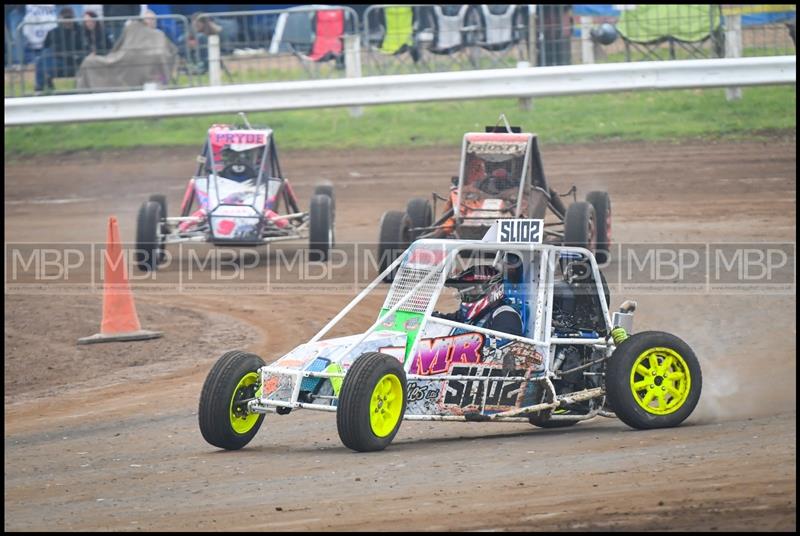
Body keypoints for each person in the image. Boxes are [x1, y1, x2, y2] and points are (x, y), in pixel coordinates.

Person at [435, 254, 524, 337]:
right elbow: (449, 320)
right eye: (463, 294)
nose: (465, 296)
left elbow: (506, 350)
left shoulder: (505, 316)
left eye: (471, 291)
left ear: (491, 290)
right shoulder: (469, 315)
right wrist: (435, 318)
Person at [34, 6, 85, 93]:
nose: (68, 21)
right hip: (56, 60)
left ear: (73, 18)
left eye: (70, 18)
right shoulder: (53, 32)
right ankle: (41, 87)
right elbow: (45, 47)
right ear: (60, 18)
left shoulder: (80, 31)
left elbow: (81, 48)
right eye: (65, 18)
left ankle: (40, 88)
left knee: (44, 61)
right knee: (42, 59)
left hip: (72, 62)